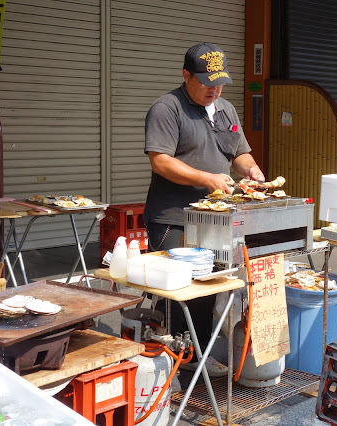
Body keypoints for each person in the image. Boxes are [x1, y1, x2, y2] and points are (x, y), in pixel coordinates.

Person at [143, 42, 265, 374]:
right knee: (177, 291)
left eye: (220, 81)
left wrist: (250, 170)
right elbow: (161, 161)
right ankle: (169, 364)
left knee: (209, 286)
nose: (215, 88)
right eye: (206, 81)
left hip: (214, 220)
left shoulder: (226, 109)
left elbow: (239, 152)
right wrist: (207, 178)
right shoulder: (167, 109)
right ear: (186, 75)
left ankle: (199, 356)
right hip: (174, 218)